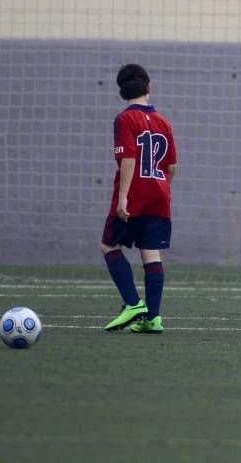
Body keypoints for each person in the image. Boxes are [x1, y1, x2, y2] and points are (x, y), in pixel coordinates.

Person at [101, 64, 177, 333]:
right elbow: (171, 168)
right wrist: (162, 190)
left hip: (134, 195)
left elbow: (129, 159)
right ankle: (153, 318)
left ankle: (133, 303)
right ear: (149, 87)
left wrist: (123, 198)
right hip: (159, 196)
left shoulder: (125, 120)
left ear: (122, 93)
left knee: (109, 246)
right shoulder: (164, 122)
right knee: (150, 252)